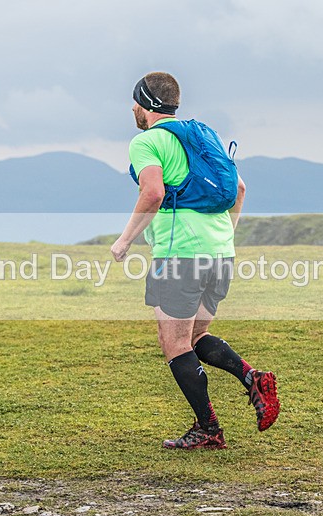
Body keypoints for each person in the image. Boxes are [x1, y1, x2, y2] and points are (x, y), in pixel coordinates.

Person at [111, 71, 279, 450]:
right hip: (220, 252)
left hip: (180, 254)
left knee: (174, 343)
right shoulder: (204, 136)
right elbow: (238, 188)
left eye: (135, 101)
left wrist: (125, 240)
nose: (132, 108)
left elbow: (152, 193)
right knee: (195, 336)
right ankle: (253, 379)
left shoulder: (148, 141)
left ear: (144, 103)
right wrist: (226, 235)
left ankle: (208, 428)